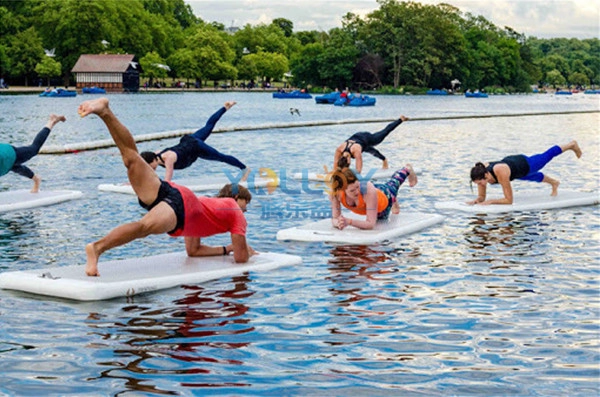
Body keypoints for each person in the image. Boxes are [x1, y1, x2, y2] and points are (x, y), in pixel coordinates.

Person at [78, 98, 256, 277]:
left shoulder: (207, 212)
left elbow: (193, 251)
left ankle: (105, 111)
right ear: (235, 199)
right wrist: (244, 249)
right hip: (180, 204)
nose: (245, 210)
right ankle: (97, 248)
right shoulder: (235, 211)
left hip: (174, 194)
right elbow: (241, 259)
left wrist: (227, 249)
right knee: (144, 227)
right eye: (245, 204)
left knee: (131, 159)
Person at [140, 101, 249, 182]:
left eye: (150, 166)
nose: (150, 169)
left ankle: (245, 168)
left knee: (220, 157)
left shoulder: (168, 158)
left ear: (153, 161)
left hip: (196, 147)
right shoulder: (156, 153)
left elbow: (168, 181)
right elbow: (142, 169)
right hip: (189, 140)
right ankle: (225, 107)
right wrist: (132, 183)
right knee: (208, 126)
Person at [468, 140, 582, 205]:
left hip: (525, 164)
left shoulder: (500, 172)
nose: (480, 185)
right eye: (477, 184)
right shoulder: (481, 173)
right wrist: (477, 201)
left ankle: (571, 145)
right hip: (515, 170)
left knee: (545, 156)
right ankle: (554, 183)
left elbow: (509, 200)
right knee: (532, 177)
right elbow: (482, 196)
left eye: (479, 183)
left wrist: (491, 202)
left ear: (486, 175)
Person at [329, 164, 418, 230]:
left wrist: (349, 222)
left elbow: (371, 224)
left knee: (393, 184)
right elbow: (335, 218)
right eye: (352, 190)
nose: (357, 192)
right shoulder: (335, 194)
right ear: (342, 189)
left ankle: (407, 169)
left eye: (357, 186)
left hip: (384, 199)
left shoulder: (367, 190)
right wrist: (339, 223)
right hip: (373, 193)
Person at [0, 114, 65, 193]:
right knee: (16, 167)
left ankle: (51, 121)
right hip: (5, 162)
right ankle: (36, 179)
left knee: (34, 149)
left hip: (7, 154)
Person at [333, 115, 409, 174]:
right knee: (369, 150)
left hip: (368, 138)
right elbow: (335, 166)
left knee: (385, 132)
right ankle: (384, 159)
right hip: (359, 139)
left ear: (349, 160)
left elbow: (358, 170)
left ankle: (400, 119)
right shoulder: (339, 149)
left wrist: (350, 178)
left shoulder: (356, 151)